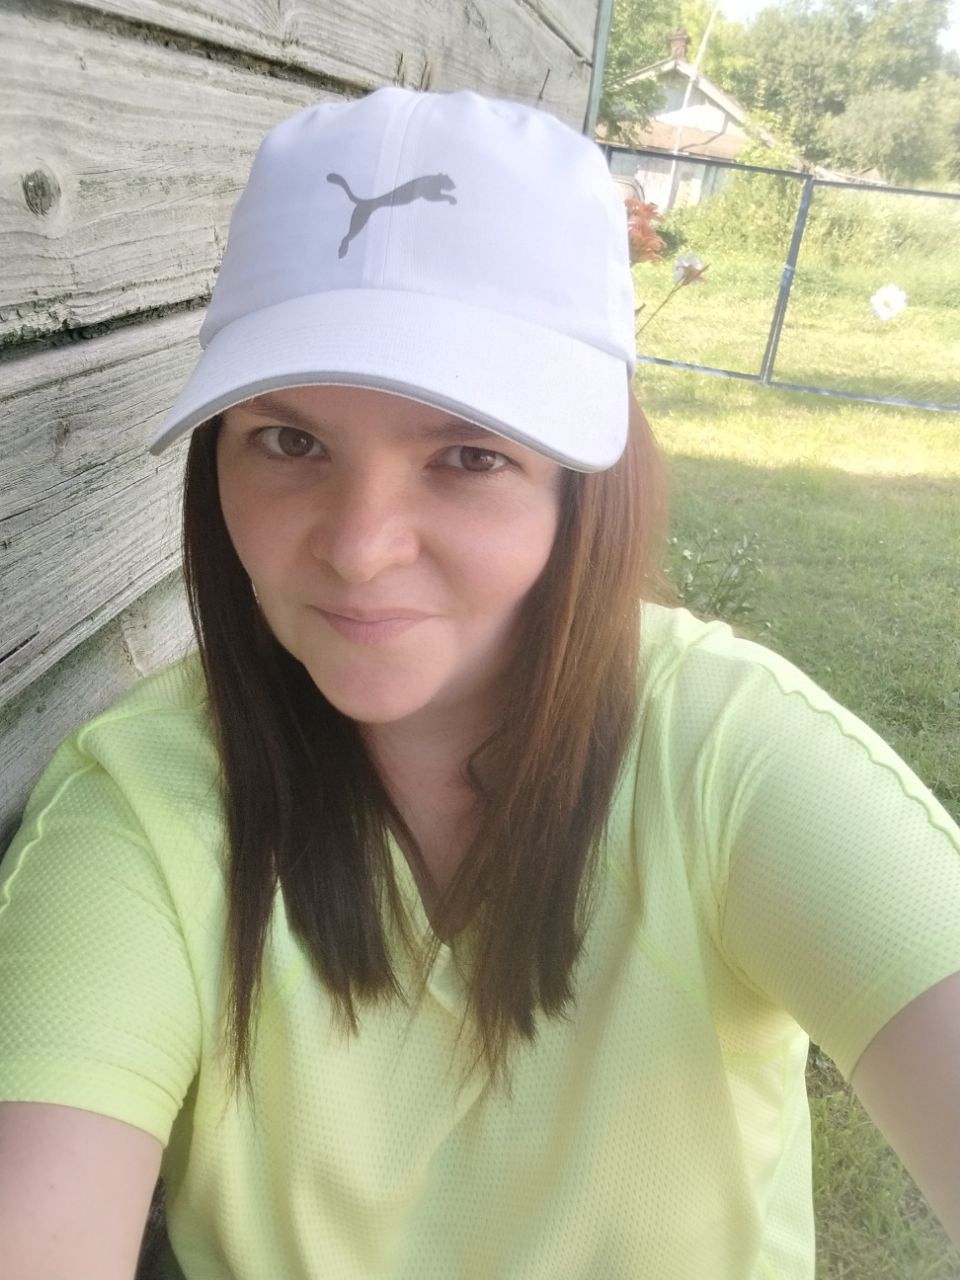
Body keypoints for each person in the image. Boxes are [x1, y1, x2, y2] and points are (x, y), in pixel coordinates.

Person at [0, 87, 958, 1280]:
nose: (360, 547)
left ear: (584, 486)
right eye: (291, 441)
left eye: (466, 454)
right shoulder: (143, 806)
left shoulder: (733, 761)